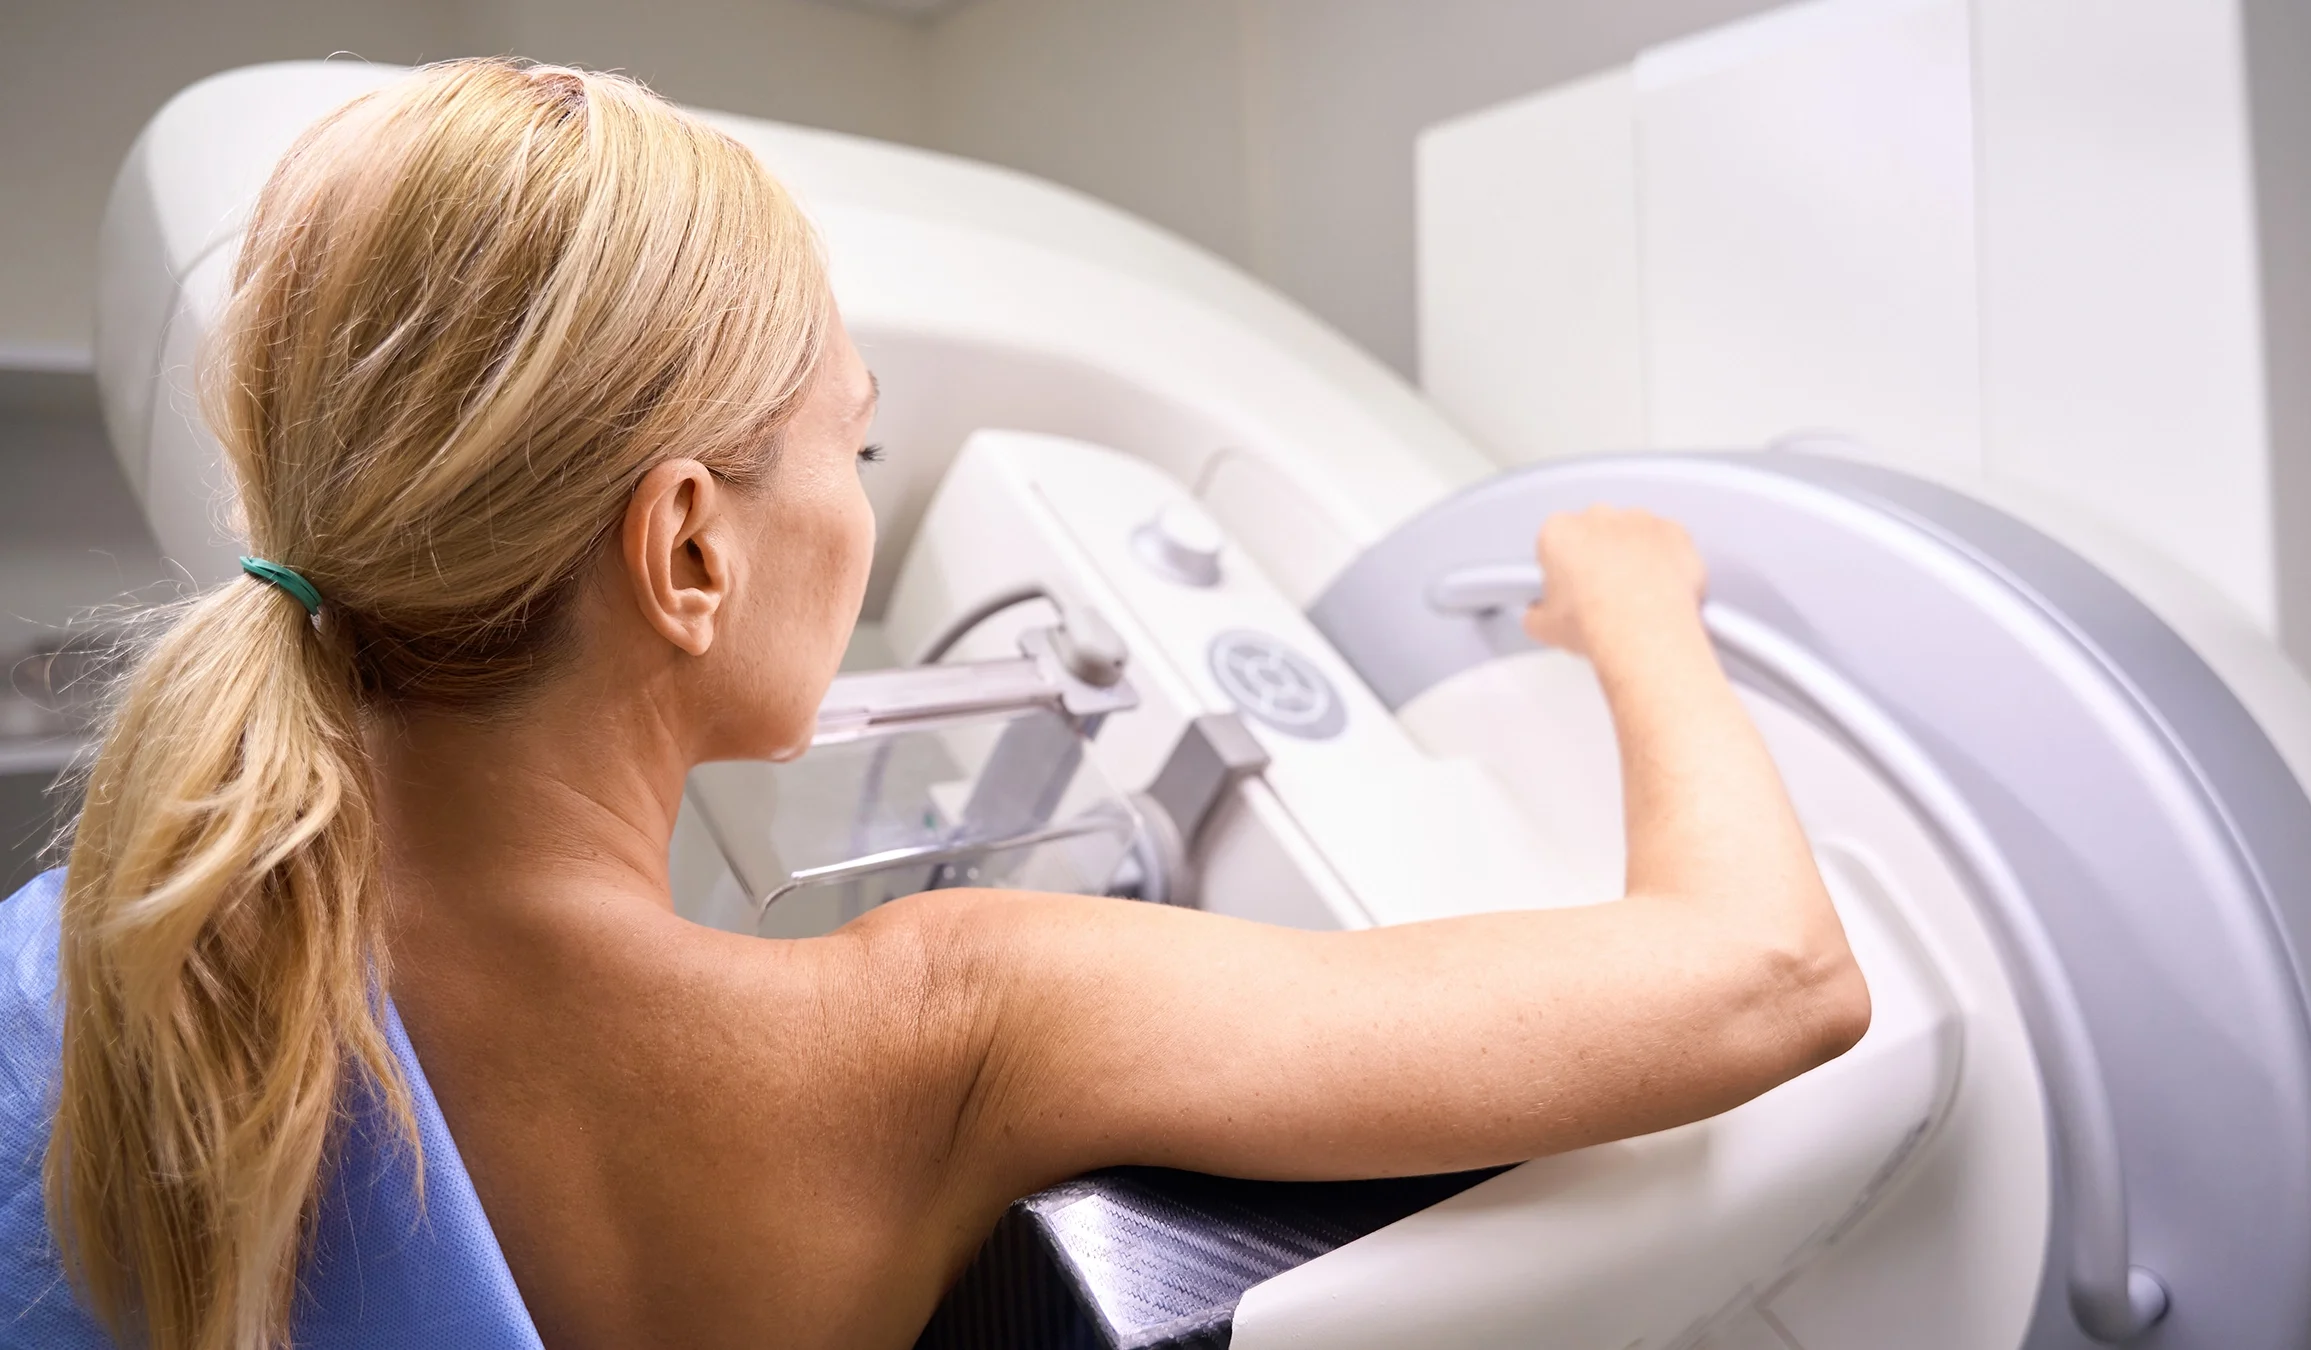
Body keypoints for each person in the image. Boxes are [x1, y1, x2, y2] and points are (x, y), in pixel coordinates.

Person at [4, 59, 1867, 1350]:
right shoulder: (932, 1034)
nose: (863, 506)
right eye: (859, 442)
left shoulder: (92, 978)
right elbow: (1771, 975)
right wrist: (1638, 609)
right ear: (687, 548)